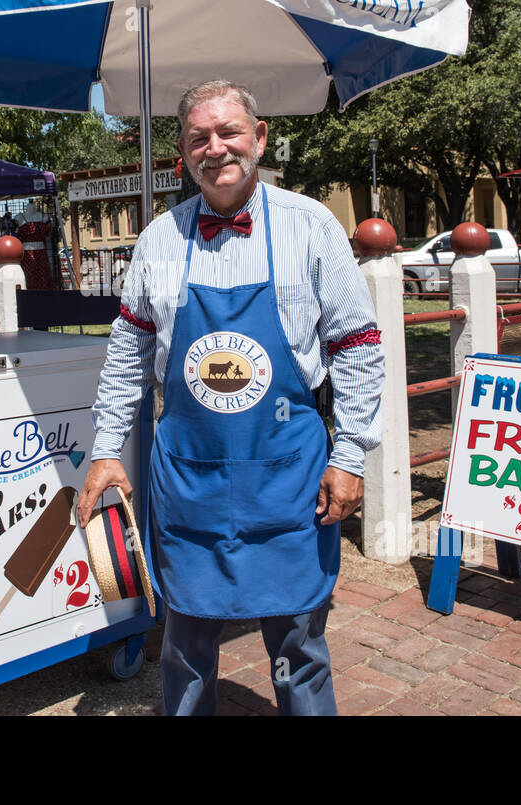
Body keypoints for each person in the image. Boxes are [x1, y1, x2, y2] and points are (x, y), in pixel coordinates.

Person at [78, 80, 384, 715]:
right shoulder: (159, 240)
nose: (215, 148)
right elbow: (126, 353)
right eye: (198, 138)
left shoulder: (311, 226)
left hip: (288, 476)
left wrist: (350, 456)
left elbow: (358, 347)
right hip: (191, 481)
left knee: (299, 643)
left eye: (229, 132)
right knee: (185, 642)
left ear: (260, 137)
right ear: (182, 155)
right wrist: (106, 450)